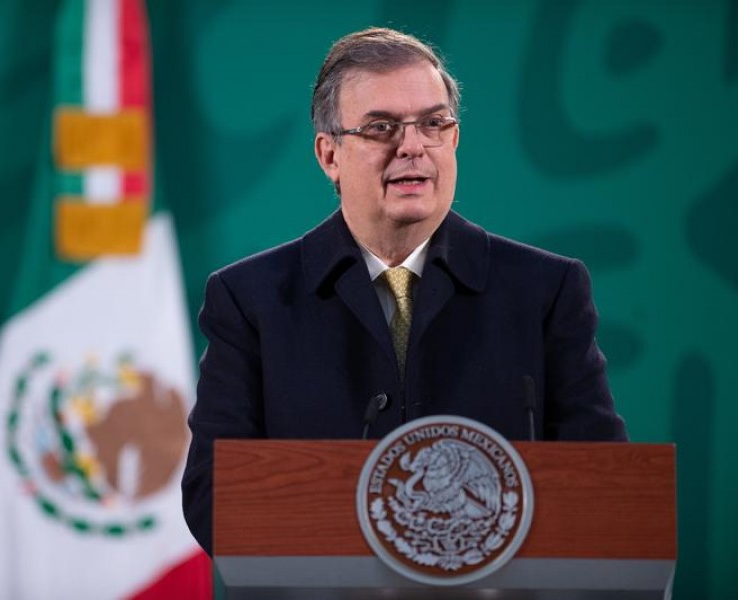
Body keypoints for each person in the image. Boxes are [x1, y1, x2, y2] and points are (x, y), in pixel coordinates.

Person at [181, 27, 628, 556]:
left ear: (454, 140)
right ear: (329, 155)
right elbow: (215, 495)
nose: (412, 146)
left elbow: (605, 488)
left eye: (434, 123)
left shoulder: (545, 291)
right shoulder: (250, 300)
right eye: (381, 127)